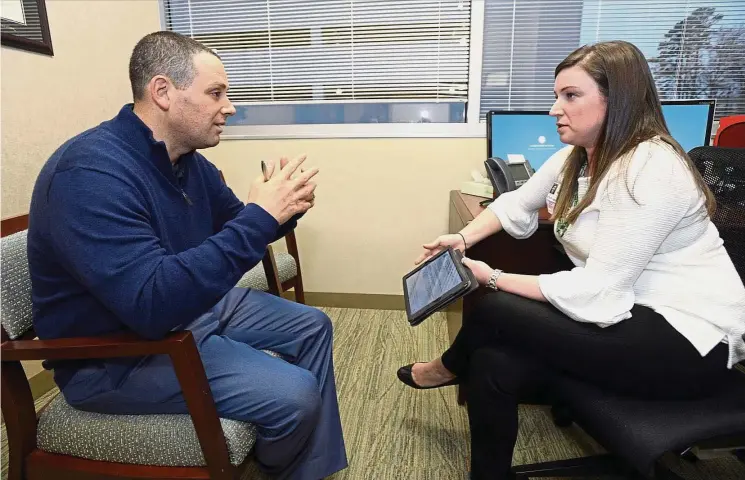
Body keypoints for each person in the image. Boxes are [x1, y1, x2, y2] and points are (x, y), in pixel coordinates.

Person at [397, 40, 745, 480]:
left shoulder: (652, 167)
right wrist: (461, 240)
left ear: (616, 99)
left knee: (497, 304)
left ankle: (445, 367)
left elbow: (597, 291)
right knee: (492, 362)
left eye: (570, 96)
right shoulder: (577, 157)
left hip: (689, 343)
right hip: (627, 318)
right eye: (557, 95)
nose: (553, 109)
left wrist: (493, 276)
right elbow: (513, 205)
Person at [28, 31, 347, 480]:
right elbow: (152, 303)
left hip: (185, 310)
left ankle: (307, 469)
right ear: (162, 92)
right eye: (215, 93)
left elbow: (240, 223)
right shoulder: (89, 175)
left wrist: (284, 208)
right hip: (119, 356)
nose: (229, 106)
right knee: (294, 393)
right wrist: (261, 216)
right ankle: (270, 469)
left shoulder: (186, 161)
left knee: (313, 325)